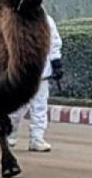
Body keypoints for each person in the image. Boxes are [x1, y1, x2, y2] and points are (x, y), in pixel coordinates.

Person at [8, 14, 62, 152]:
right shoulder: (16, 19)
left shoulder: (47, 20)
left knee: (40, 107)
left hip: (41, 72)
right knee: (17, 107)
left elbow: (54, 42)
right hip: (22, 72)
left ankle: (37, 139)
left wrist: (56, 63)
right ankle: (10, 135)